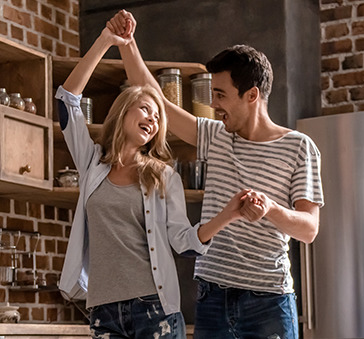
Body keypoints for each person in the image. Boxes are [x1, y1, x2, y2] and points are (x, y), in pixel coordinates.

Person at [108, 10, 325, 339]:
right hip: (213, 297)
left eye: (221, 94)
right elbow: (157, 100)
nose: (214, 103)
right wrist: (127, 43)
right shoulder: (216, 136)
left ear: (252, 95)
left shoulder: (298, 147)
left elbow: (309, 229)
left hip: (268, 301)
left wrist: (270, 209)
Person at [56, 20, 253, 339]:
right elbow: (67, 100)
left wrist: (227, 216)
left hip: (154, 309)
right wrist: (106, 41)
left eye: (158, 117)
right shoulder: (92, 163)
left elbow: (182, 242)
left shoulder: (163, 175)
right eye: (146, 109)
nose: (153, 118)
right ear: (123, 111)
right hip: (103, 310)